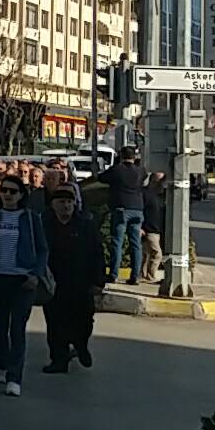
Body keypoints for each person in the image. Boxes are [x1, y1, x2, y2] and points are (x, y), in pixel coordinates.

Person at [0, 175, 47, 397]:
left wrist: (36, 274)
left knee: (17, 328)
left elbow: (43, 249)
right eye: (4, 190)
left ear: (21, 195)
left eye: (13, 191)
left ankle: (15, 376)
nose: (7, 195)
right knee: (0, 327)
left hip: (23, 279)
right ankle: (3, 365)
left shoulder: (31, 218)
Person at [41, 187, 104, 373]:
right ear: (53, 205)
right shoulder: (45, 226)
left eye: (69, 202)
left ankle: (80, 345)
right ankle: (59, 360)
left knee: (84, 320)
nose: (66, 205)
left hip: (81, 283)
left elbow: (97, 253)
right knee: (55, 323)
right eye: (61, 202)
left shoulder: (85, 225)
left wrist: (99, 280)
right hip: (54, 283)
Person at [91, 146, 148, 284]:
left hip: (121, 208)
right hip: (138, 209)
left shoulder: (117, 170)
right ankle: (135, 276)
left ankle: (114, 274)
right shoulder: (141, 171)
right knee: (136, 244)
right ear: (134, 157)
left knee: (117, 242)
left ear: (121, 156)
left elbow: (102, 178)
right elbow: (144, 179)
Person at [141, 171, 168, 283]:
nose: (162, 184)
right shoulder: (146, 194)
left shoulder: (162, 196)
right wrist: (140, 227)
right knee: (157, 254)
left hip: (156, 229)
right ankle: (150, 276)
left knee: (147, 254)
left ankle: (144, 275)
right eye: (160, 181)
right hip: (150, 229)